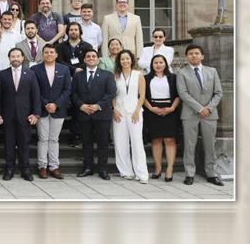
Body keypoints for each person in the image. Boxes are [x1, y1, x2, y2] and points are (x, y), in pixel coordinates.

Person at [177, 44, 224, 186]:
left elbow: (218, 93)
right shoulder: (182, 73)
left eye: (197, 53)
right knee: (189, 145)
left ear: (202, 56)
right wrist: (199, 108)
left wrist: (208, 108)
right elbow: (183, 93)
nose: (194, 55)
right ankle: (189, 174)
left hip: (209, 114)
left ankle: (211, 174)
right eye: (190, 53)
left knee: (210, 145)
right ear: (187, 57)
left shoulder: (212, 71)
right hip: (190, 114)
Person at [0, 47, 41, 181]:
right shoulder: (2, 74)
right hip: (7, 115)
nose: (15, 59)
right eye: (13, 56)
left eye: (18, 56)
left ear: (22, 58)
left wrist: (36, 114)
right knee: (8, 144)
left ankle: (25, 169)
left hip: (25, 115)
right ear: (9, 59)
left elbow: (36, 95)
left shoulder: (30, 74)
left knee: (24, 144)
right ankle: (9, 169)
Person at [72, 48, 117, 180]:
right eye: (88, 56)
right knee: (87, 142)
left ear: (98, 59)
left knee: (103, 143)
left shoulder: (107, 75)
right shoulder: (78, 76)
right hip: (84, 113)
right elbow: (73, 93)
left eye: (93, 56)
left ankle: (103, 169)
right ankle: (88, 167)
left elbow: (111, 93)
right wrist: (82, 106)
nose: (91, 58)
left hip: (102, 114)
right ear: (84, 60)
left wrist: (98, 106)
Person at [31, 44, 72, 179]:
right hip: (41, 109)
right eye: (46, 52)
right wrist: (46, 104)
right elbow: (34, 90)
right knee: (43, 139)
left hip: (58, 109)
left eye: (51, 52)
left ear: (56, 55)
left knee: (54, 139)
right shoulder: (35, 69)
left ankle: (54, 166)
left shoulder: (64, 69)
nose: (49, 54)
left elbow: (67, 89)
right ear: (42, 55)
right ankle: (42, 166)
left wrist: (56, 104)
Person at [112, 49, 149, 183]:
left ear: (132, 60)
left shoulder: (138, 74)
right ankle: (125, 171)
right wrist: (114, 109)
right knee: (120, 141)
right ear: (119, 61)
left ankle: (142, 173)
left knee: (137, 141)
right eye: (122, 59)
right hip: (119, 111)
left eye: (127, 58)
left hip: (135, 111)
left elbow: (142, 95)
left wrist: (137, 110)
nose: (125, 61)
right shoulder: (115, 75)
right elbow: (113, 95)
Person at [143, 54, 181, 182]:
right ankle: (158, 168)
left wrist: (172, 108)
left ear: (165, 64)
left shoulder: (173, 78)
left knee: (170, 140)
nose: (158, 65)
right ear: (152, 65)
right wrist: (151, 108)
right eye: (155, 63)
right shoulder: (146, 78)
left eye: (161, 62)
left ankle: (170, 168)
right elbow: (142, 96)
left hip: (170, 109)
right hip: (152, 109)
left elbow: (178, 95)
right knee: (156, 140)